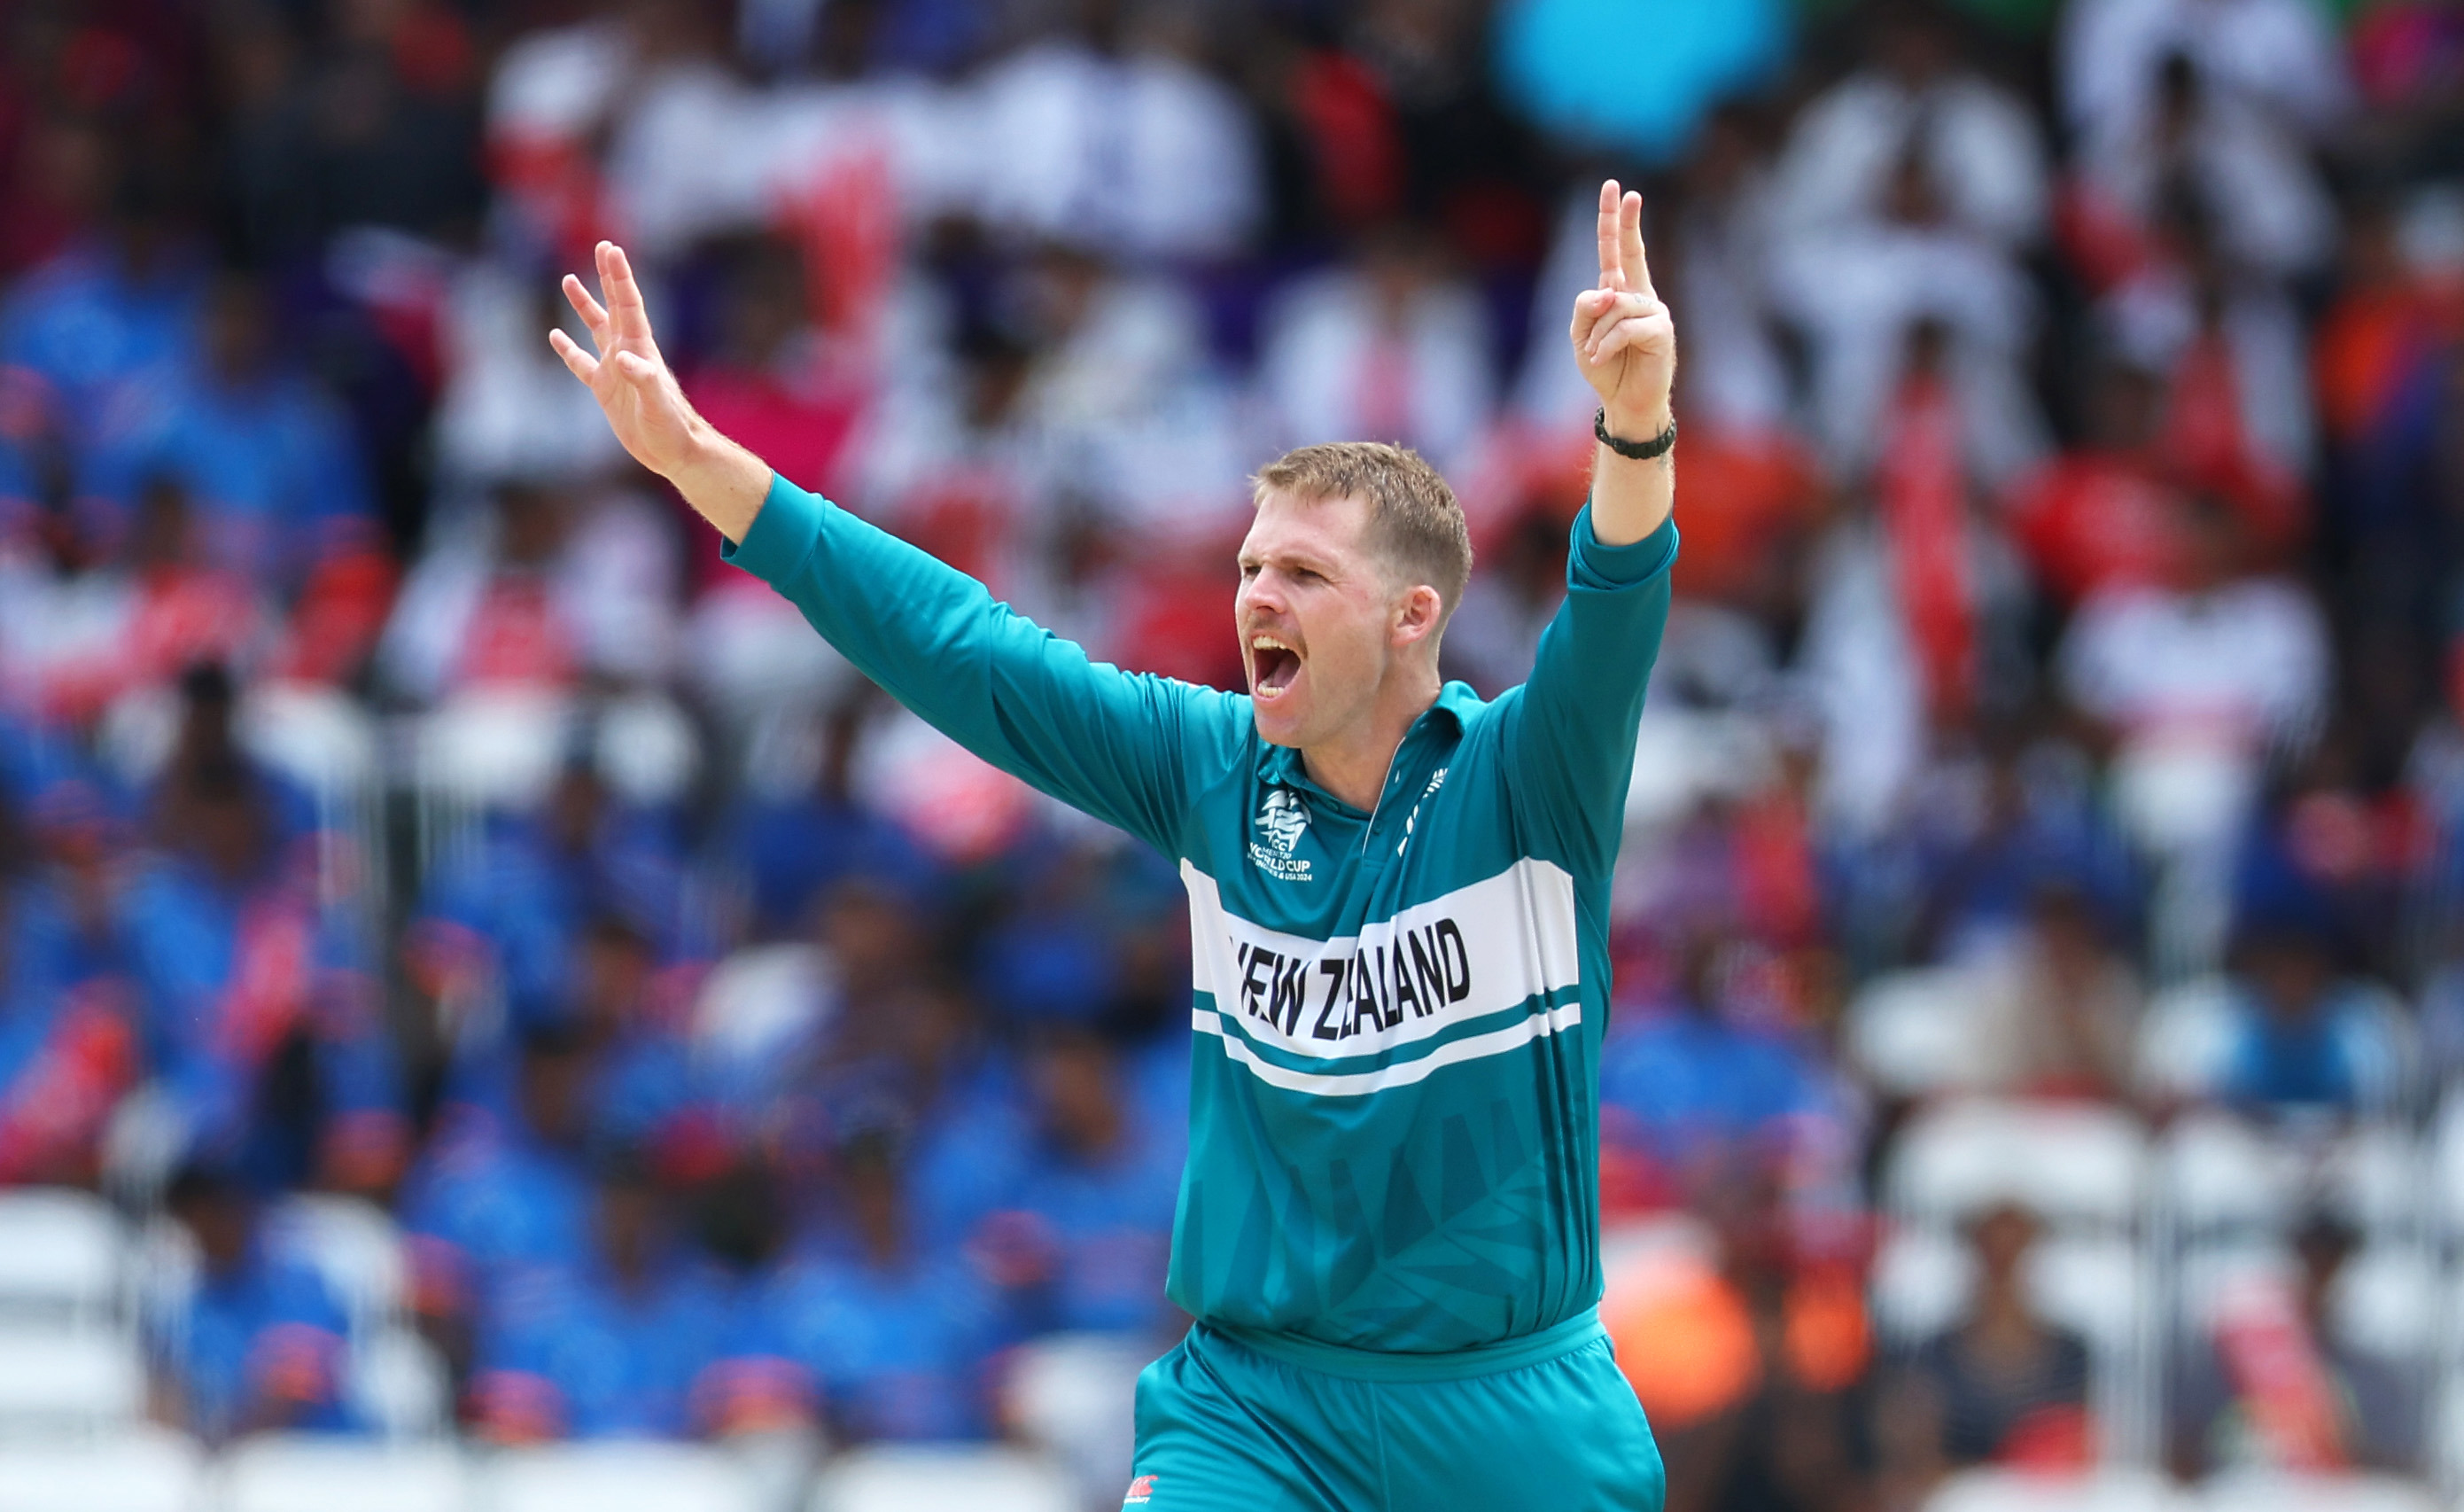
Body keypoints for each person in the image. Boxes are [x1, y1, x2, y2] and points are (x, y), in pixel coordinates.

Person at [548, 177, 1681, 1509]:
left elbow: (1612, 602)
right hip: (1258, 1408)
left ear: (1410, 615)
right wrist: (698, 461)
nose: (1257, 594)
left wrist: (1634, 424)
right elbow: (967, 649)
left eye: (1305, 575)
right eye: (1252, 567)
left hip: (1509, 1418)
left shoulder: (1527, 782)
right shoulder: (1210, 766)